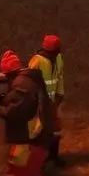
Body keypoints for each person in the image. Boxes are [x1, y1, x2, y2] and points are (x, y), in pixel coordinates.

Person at [28, 35, 65, 166]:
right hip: (41, 103)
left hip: (53, 100)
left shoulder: (58, 59)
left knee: (54, 128)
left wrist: (59, 97)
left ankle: (52, 157)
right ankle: (41, 159)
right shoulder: (36, 61)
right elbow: (30, 81)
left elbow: (59, 77)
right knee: (40, 130)